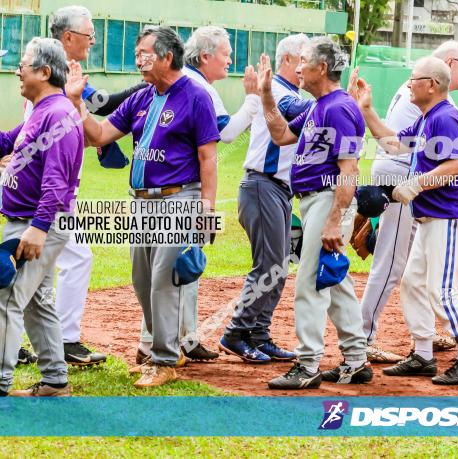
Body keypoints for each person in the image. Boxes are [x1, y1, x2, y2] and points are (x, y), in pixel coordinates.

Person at [351, 40, 458, 363]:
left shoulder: (443, 115)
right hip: (428, 210)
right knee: (413, 281)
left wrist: (415, 185)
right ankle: (422, 351)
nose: (407, 83)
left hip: (447, 214)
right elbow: (393, 143)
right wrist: (366, 110)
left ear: (432, 84)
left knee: (441, 290)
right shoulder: (428, 114)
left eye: (414, 79)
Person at [68, 26, 220, 388]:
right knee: (141, 281)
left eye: (145, 53)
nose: (139, 59)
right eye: (137, 53)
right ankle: (160, 349)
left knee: (164, 281)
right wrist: (76, 102)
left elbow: (208, 156)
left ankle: (165, 359)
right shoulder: (142, 97)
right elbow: (100, 135)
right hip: (142, 203)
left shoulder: (196, 96)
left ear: (168, 56)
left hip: (178, 198)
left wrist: (207, 208)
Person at [18, 6, 147, 368]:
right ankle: (63, 340)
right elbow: (103, 104)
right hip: (46, 184)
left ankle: (37, 339)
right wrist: (150, 83)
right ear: (69, 37)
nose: (93, 39)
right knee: (65, 259)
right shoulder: (58, 69)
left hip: (43, 179)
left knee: (38, 268)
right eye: (89, 33)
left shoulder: (53, 66)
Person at [134, 25, 260, 364]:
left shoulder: (188, 85)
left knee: (173, 270)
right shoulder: (193, 87)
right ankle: (163, 344)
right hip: (171, 194)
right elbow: (226, 135)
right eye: (225, 54)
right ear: (204, 56)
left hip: (177, 196)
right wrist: (253, 99)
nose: (230, 60)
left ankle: (175, 342)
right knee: (169, 273)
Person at [260, 36, 371, 390]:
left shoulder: (338, 108)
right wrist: (264, 95)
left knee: (309, 284)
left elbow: (349, 169)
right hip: (314, 200)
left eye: (304, 61)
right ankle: (356, 360)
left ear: (321, 68)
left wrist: (334, 218)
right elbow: (279, 136)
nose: (297, 68)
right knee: (335, 283)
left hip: (326, 198)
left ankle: (307, 365)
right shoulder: (318, 105)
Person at [219, 33, 312, 363]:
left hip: (276, 190)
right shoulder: (282, 94)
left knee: (279, 266)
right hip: (262, 187)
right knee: (269, 266)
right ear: (286, 60)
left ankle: (259, 334)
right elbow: (304, 109)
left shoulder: (284, 92)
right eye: (302, 59)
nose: (305, 66)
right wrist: (334, 99)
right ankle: (235, 332)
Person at [0, 37, 84, 397]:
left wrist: (37, 229)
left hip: (39, 223)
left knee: (6, 298)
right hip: (30, 221)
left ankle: (1, 384)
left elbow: (56, 182)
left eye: (24, 64)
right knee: (37, 301)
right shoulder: (41, 111)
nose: (18, 70)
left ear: (45, 71)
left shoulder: (59, 115)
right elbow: (7, 142)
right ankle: (54, 381)